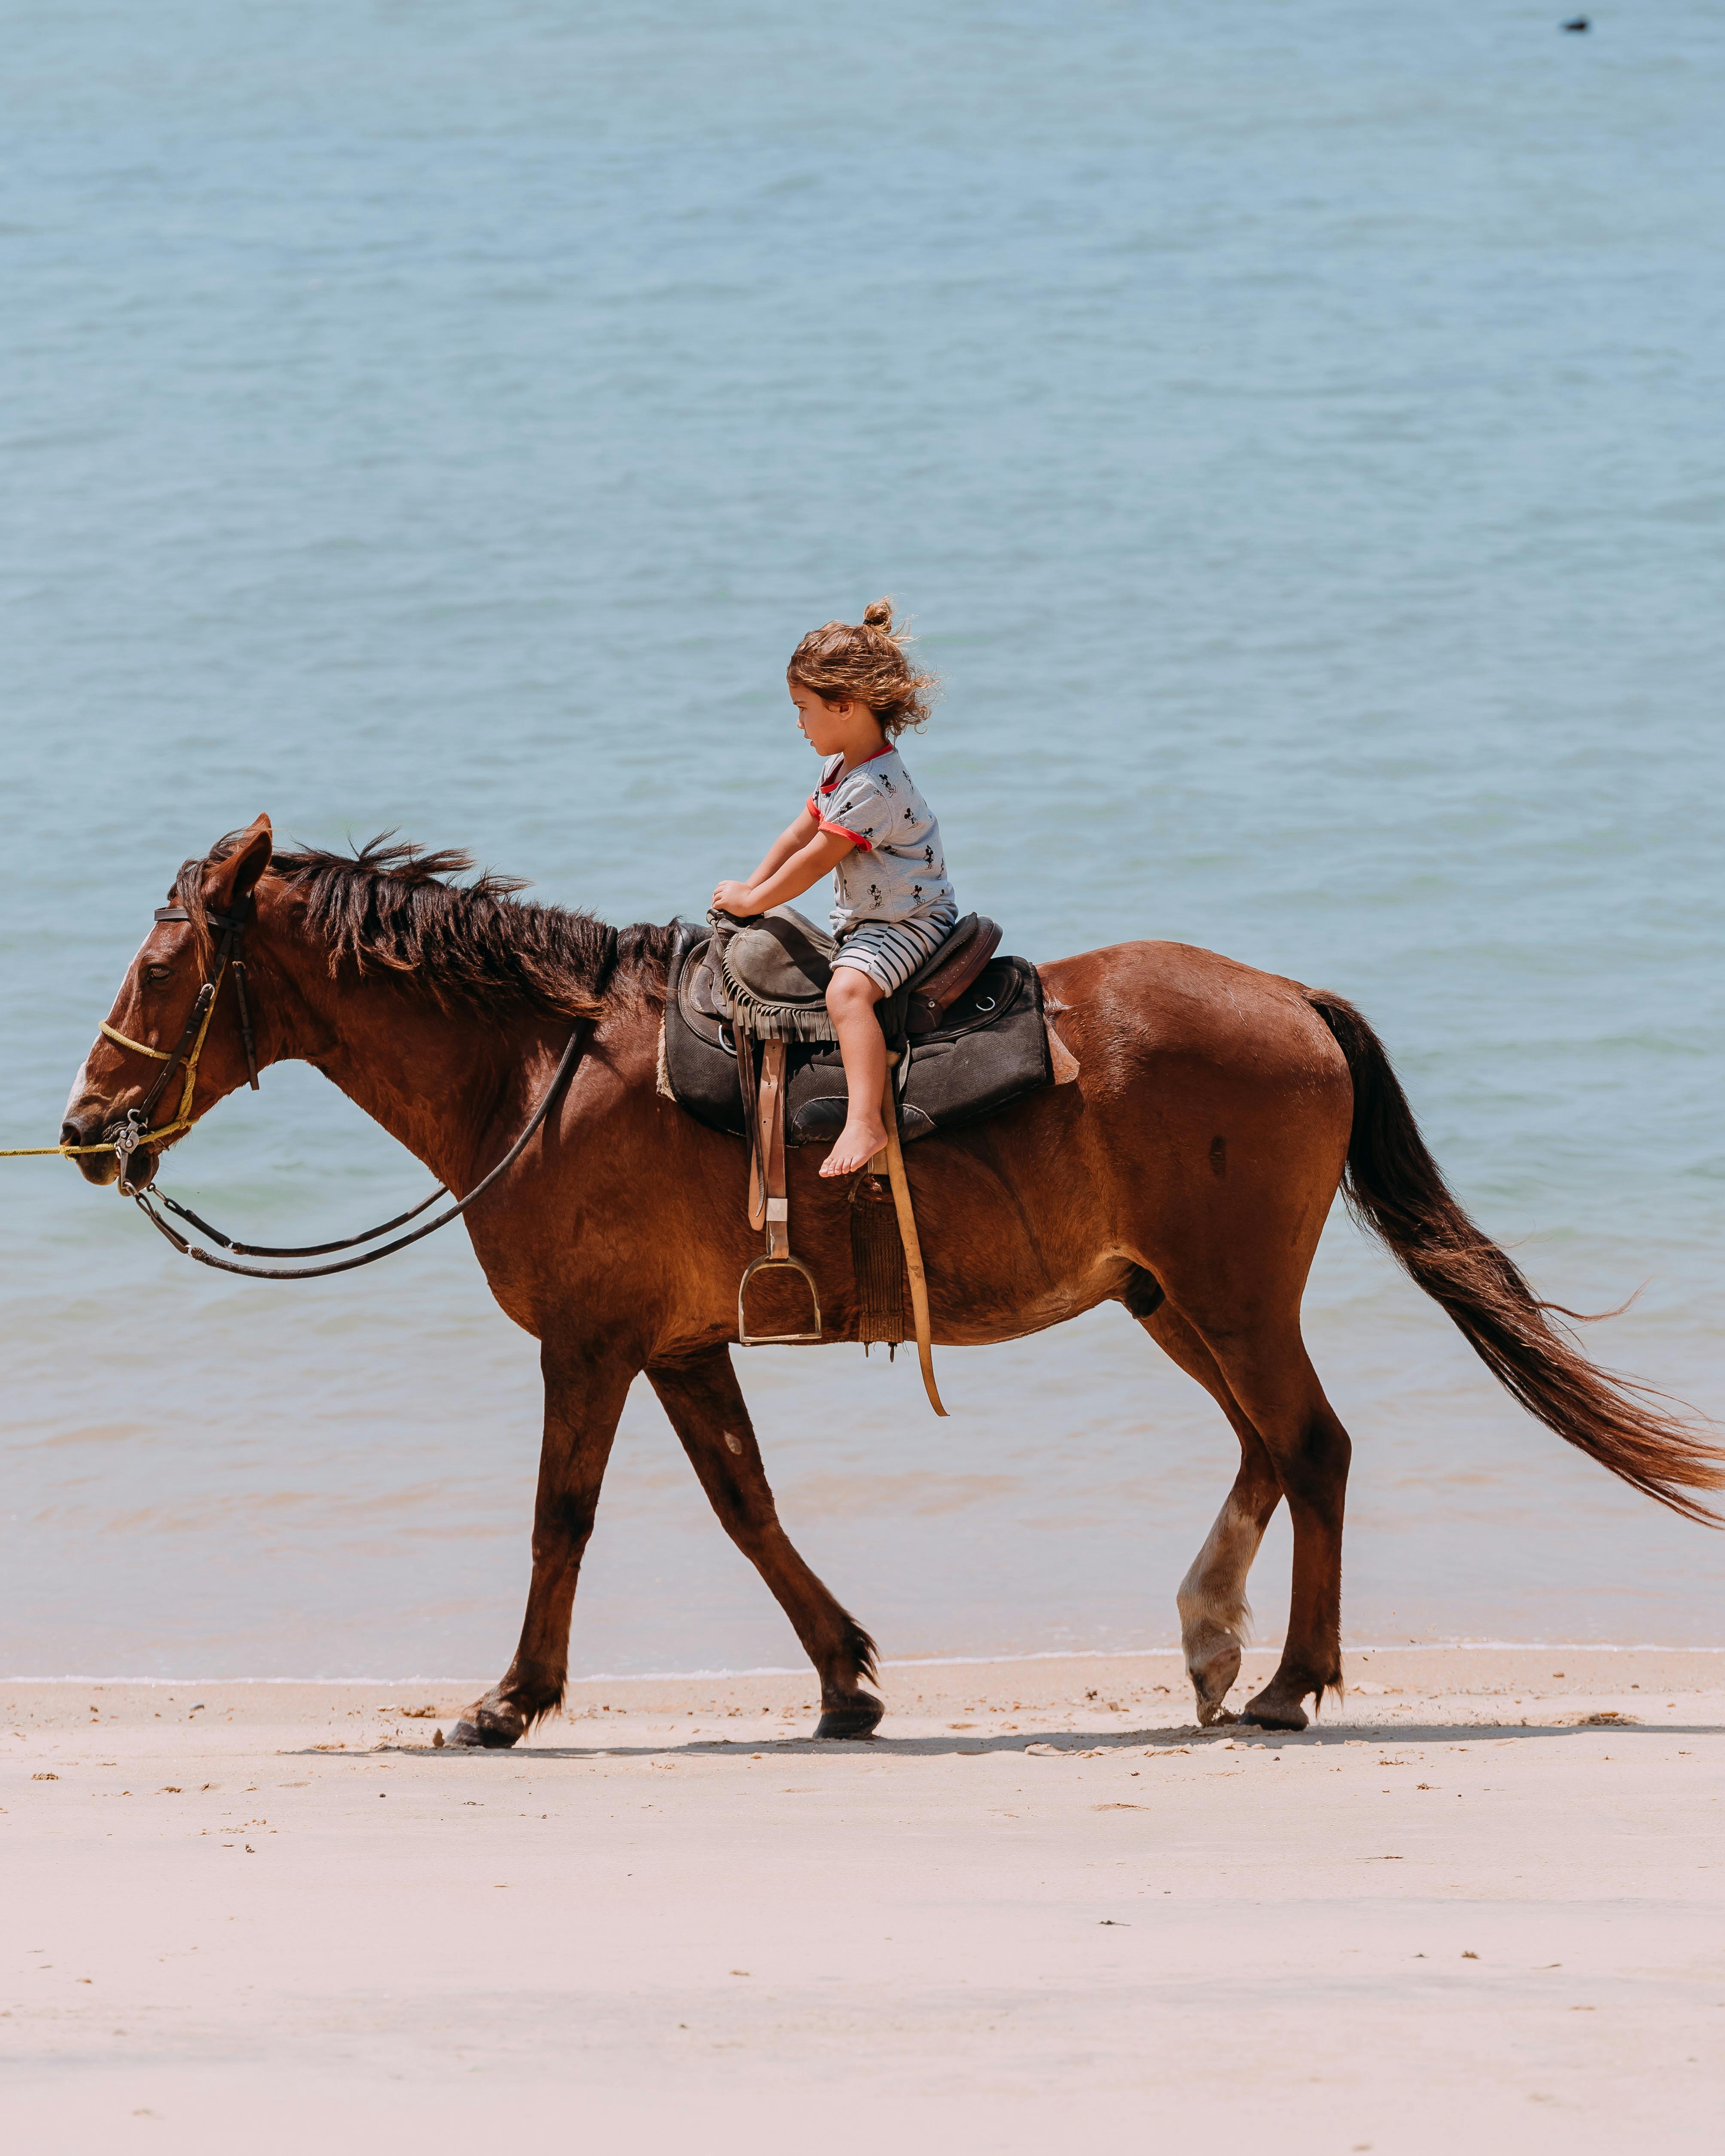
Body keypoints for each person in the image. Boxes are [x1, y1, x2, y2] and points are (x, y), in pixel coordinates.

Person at [712, 599, 957, 1177]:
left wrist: (754, 901)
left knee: (846, 996)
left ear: (844, 706)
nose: (798, 724)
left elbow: (817, 860)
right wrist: (750, 886)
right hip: (873, 916)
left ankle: (865, 1120)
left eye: (804, 709)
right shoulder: (841, 769)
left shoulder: (872, 787)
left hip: (909, 921)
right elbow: (798, 834)